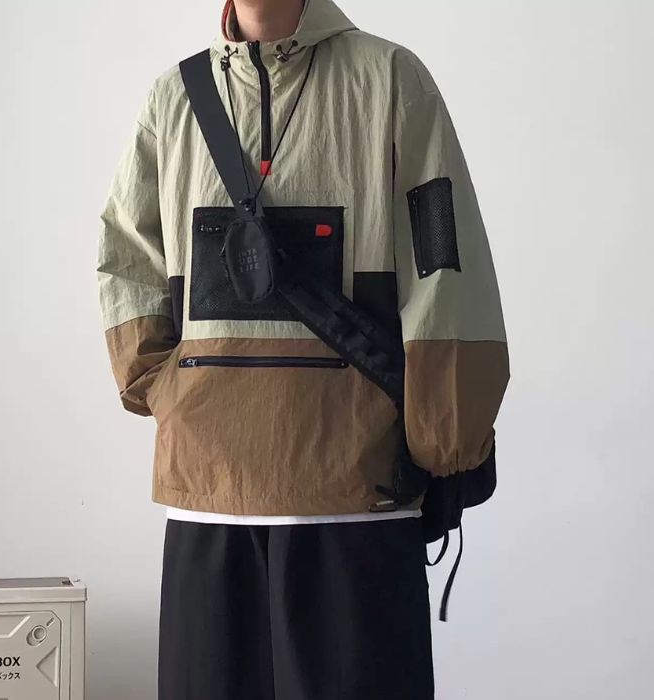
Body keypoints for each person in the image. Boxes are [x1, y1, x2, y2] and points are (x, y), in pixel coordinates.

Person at [96, 0, 510, 697]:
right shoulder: (173, 98)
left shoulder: (390, 79)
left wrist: (444, 434)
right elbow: (127, 251)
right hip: (211, 495)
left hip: (353, 496)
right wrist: (162, 387)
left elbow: (441, 262)